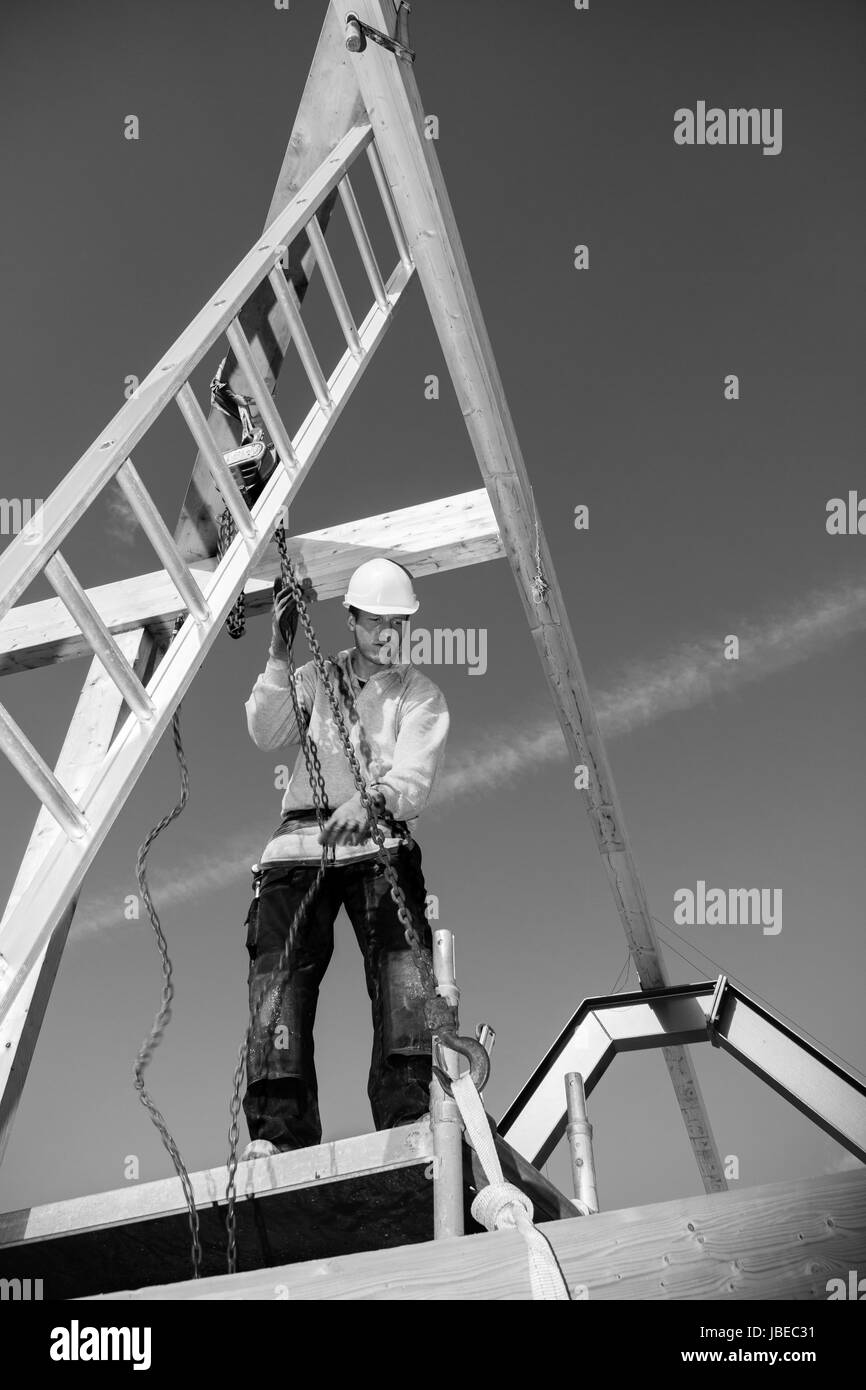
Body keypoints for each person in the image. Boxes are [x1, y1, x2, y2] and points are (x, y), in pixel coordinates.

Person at [240, 557, 450, 1159]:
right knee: (276, 982)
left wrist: (374, 796)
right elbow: (266, 731)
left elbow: (414, 774)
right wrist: (278, 654)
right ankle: (278, 1134)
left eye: (399, 623)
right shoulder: (311, 679)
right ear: (351, 617)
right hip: (297, 848)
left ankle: (409, 1118)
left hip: (380, 844)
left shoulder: (419, 694)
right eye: (376, 620)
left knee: (404, 977)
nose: (388, 633)